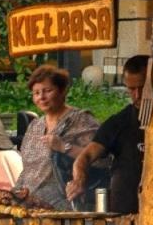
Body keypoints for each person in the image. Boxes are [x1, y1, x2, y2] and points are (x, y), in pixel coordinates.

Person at [68, 55, 153, 220]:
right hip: (120, 216)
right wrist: (79, 179)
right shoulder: (118, 122)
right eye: (131, 89)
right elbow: (85, 157)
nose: (137, 95)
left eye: (142, 88)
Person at [13, 64, 100, 209]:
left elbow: (102, 160)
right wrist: (15, 194)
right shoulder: (35, 125)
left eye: (48, 90)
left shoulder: (81, 120)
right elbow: (27, 169)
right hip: (29, 205)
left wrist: (64, 147)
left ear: (62, 91)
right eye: (36, 93)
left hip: (63, 206)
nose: (42, 97)